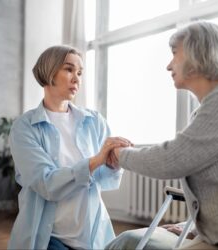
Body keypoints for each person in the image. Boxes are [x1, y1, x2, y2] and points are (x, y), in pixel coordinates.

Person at [107, 20, 218, 250]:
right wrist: (197, 228)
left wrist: (119, 154)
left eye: (174, 54)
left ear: (197, 53)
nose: (169, 66)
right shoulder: (210, 106)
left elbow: (171, 159)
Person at [8, 45, 131, 250]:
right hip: (50, 238)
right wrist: (94, 161)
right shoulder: (24, 127)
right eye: (69, 69)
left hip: (92, 236)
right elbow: (46, 184)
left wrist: (112, 164)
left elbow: (105, 181)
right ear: (49, 72)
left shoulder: (94, 121)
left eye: (80, 72)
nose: (77, 78)